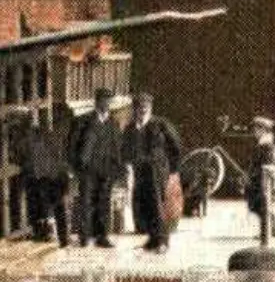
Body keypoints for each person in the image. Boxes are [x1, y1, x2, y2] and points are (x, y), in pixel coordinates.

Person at [122, 91, 184, 253]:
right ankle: (152, 239)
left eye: (146, 107)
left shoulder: (160, 125)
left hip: (157, 171)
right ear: (134, 109)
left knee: (157, 204)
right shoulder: (130, 128)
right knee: (145, 204)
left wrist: (172, 169)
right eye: (139, 107)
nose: (142, 110)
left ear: (150, 108)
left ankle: (163, 241)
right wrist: (127, 165)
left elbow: (176, 146)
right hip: (139, 171)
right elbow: (125, 149)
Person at [67, 86, 121, 247]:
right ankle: (85, 236)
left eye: (109, 101)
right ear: (97, 102)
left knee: (104, 202)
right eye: (104, 100)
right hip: (87, 170)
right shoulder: (83, 121)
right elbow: (72, 145)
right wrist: (74, 167)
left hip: (107, 169)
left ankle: (102, 236)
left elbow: (117, 147)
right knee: (86, 202)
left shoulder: (113, 123)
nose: (107, 104)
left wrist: (117, 168)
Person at [21, 104, 69, 245]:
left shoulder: (47, 137)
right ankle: (54, 236)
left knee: (54, 208)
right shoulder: (45, 137)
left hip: (50, 177)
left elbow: (59, 158)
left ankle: (58, 237)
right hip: (46, 177)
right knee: (50, 208)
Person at [245, 116, 275, 245]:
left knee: (260, 205)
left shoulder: (267, 145)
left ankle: (270, 228)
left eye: (256, 129)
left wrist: (255, 174)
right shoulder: (262, 144)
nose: (254, 132)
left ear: (263, 130)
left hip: (262, 179)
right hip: (257, 178)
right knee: (258, 205)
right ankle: (273, 225)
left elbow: (268, 163)